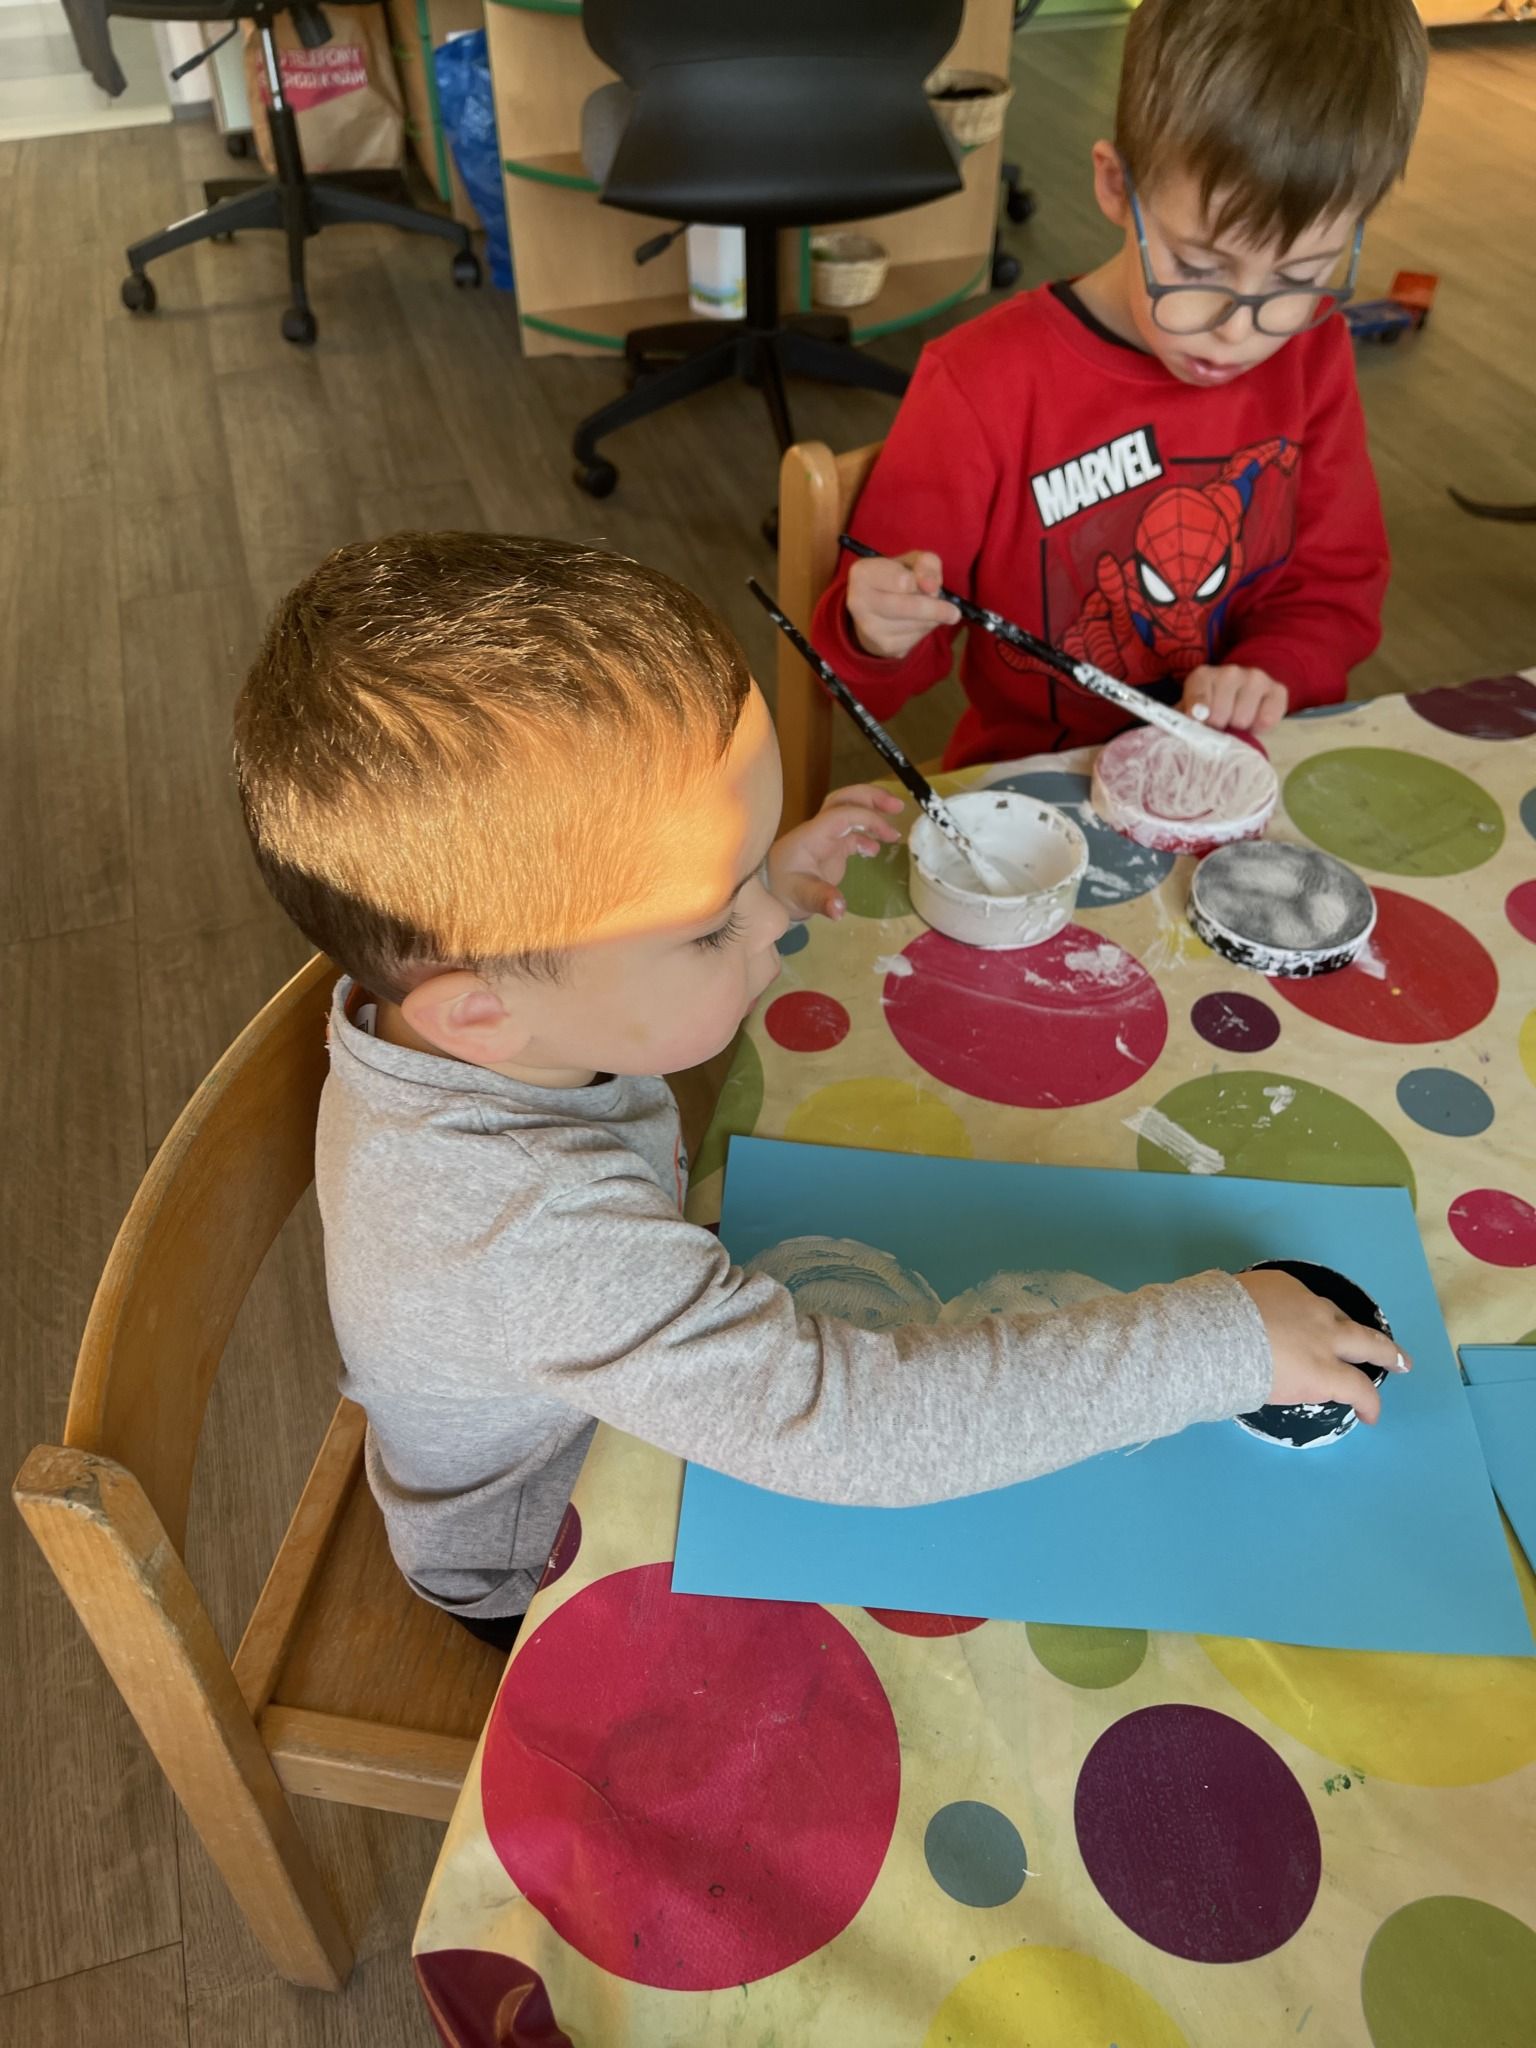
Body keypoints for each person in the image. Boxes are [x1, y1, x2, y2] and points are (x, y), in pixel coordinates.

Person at [234, 532, 1403, 1646]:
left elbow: (606, 987)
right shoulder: (522, 1231)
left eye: (752, 865)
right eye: (713, 923)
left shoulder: (492, 1014)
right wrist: (1220, 1346)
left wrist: (760, 878)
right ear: (480, 1010)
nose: (770, 928)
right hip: (547, 1551)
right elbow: (853, 1430)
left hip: (628, 1363)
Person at [812, 0, 1428, 768]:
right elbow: (861, 677)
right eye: (1199, 267)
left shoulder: (1312, 352)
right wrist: (874, 631)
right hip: (1041, 788)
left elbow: (1334, 589)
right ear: (1115, 184)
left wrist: (1272, 670)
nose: (1239, 328)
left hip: (1234, 769)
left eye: (1301, 276)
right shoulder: (981, 382)